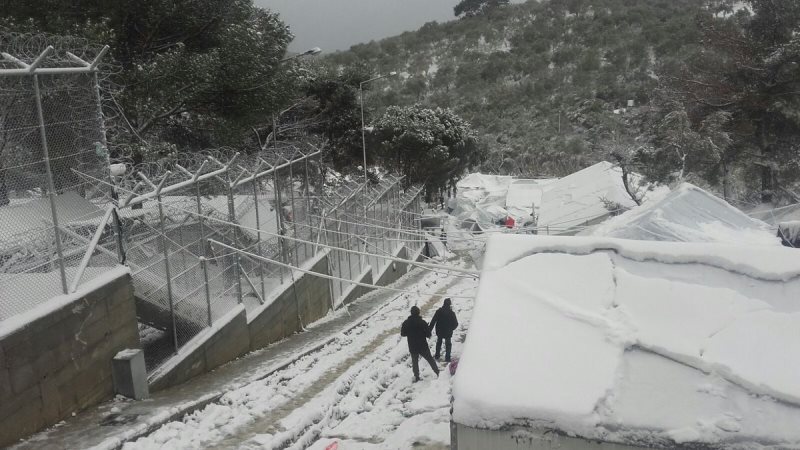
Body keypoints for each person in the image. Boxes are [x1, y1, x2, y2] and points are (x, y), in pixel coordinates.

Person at [400, 305, 440, 382]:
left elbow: (403, 334)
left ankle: (416, 376)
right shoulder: (422, 322)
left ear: (411, 313)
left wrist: (410, 333)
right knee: (430, 359)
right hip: (423, 346)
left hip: (412, 346)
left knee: (415, 362)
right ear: (418, 313)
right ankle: (437, 372)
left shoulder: (406, 323)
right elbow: (428, 335)